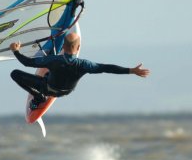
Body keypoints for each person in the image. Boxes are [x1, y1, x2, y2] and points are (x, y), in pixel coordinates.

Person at [10, 32, 150, 109]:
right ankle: (46, 84)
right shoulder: (84, 64)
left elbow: (26, 63)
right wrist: (132, 70)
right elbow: (107, 68)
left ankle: (38, 97)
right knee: (48, 73)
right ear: (78, 48)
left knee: (15, 74)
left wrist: (16, 51)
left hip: (47, 88)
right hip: (65, 92)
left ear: (63, 47)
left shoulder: (53, 60)